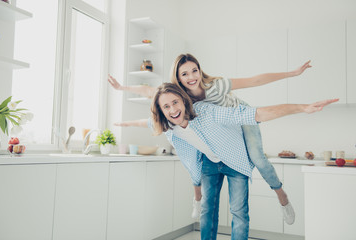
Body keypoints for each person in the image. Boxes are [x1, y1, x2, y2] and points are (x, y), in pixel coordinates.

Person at [116, 82, 338, 240]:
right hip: (210, 163)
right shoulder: (167, 124)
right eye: (166, 106)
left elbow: (256, 114)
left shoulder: (208, 112)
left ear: (183, 100)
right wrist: (122, 124)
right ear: (161, 111)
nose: (173, 109)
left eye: (175, 102)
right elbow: (143, 122)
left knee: (238, 211)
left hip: (235, 161)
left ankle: (283, 196)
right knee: (207, 210)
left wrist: (302, 108)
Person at [108, 53, 312, 223]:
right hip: (219, 130)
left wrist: (292, 73)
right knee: (193, 159)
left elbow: (254, 80)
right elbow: (148, 91)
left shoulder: (215, 86)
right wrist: (121, 88)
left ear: (200, 70)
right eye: (184, 73)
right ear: (178, 78)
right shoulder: (178, 95)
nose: (191, 77)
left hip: (241, 117)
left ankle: (281, 196)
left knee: (258, 158)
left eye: (194, 70)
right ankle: (197, 199)